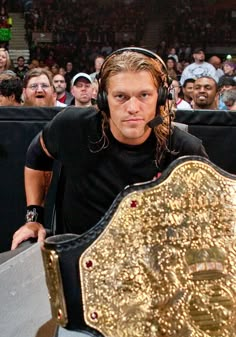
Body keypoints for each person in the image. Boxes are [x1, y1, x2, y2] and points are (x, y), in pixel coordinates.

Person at [11, 47, 208, 249]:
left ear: (160, 97)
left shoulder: (185, 150)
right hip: (79, 260)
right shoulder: (71, 126)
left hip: (153, 266)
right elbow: (37, 154)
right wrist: (33, 217)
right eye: (121, 96)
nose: (133, 108)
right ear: (104, 99)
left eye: (144, 95)